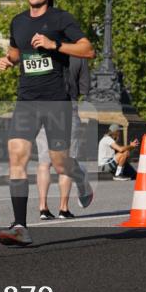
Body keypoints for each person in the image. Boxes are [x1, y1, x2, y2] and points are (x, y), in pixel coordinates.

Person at [0, 0, 96, 246]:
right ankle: (20, 226)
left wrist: (55, 45)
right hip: (27, 100)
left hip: (56, 101)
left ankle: (80, 176)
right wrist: (7, 61)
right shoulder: (18, 21)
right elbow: (15, 52)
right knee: (17, 158)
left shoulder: (61, 19)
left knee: (60, 163)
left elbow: (88, 50)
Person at [35, 55, 90, 219]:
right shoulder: (79, 56)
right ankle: (63, 209)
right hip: (67, 106)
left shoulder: (43, 52)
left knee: (44, 163)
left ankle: (43, 208)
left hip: (43, 108)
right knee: (66, 162)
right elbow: (84, 88)